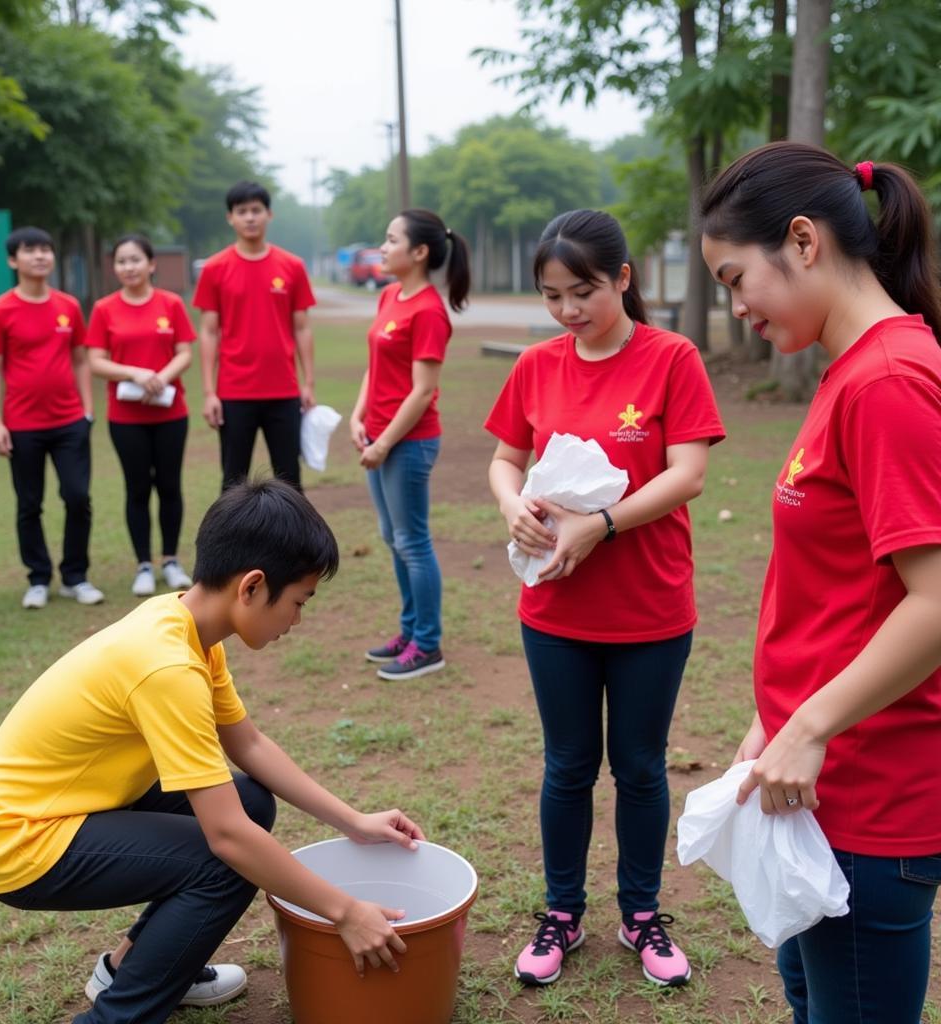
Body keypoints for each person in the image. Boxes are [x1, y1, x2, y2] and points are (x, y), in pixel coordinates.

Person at [0, 478, 425, 1024]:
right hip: (18, 839)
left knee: (251, 802)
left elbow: (248, 743)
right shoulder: (168, 666)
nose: (296, 620)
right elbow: (227, 838)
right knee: (227, 859)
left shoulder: (188, 625)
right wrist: (346, 913)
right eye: (298, 602)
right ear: (252, 586)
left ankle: (127, 965)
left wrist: (354, 821)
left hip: (68, 806)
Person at [700, 142, 941, 1024]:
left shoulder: (888, 380)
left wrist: (806, 726)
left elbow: (937, 602)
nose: (736, 307)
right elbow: (844, 589)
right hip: (816, 784)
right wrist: (774, 724)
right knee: (814, 997)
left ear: (803, 242)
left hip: (871, 799)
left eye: (736, 278)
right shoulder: (853, 371)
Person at [485, 209, 724, 988]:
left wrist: (603, 525)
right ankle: (560, 915)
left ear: (623, 277)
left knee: (642, 767)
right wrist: (510, 501)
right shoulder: (537, 364)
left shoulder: (671, 358)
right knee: (567, 766)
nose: (568, 311)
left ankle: (642, 914)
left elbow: (687, 474)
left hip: (651, 609)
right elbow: (502, 459)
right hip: (555, 612)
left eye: (582, 291)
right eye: (553, 296)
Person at [349, 209, 470, 681]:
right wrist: (359, 416)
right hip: (378, 436)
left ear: (419, 252)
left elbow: (422, 391)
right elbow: (374, 366)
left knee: (413, 542)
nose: (382, 247)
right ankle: (410, 629)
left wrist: (383, 445)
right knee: (392, 537)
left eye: (391, 239)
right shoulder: (388, 297)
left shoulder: (429, 311)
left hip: (408, 443)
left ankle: (428, 644)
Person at [0, 226, 103, 609]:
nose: (40, 256)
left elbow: (81, 358)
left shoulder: (67, 306)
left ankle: (75, 576)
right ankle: (37, 578)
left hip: (69, 422)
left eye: (46, 249)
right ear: (13, 260)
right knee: (29, 504)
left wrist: (86, 409)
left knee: (78, 496)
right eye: (30, 250)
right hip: (22, 425)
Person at [87, 234, 195, 597]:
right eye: (121, 261)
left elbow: (184, 352)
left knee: (169, 486)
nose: (129, 267)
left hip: (171, 413)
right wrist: (134, 373)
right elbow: (96, 361)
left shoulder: (171, 304)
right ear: (114, 267)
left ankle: (171, 561)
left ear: (151, 264)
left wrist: (161, 378)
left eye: (136, 260)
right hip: (126, 417)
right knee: (137, 489)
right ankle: (143, 566)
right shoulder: (104, 309)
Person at [192, 181, 317, 492]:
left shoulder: (292, 266)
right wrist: (209, 392)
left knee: (290, 482)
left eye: (256, 210)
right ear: (230, 218)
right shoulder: (215, 269)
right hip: (234, 392)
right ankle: (230, 543)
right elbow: (208, 332)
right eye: (242, 211)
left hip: (283, 391)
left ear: (269, 215)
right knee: (233, 484)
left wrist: (308, 383)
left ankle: (293, 543)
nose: (250, 218)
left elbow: (302, 327)